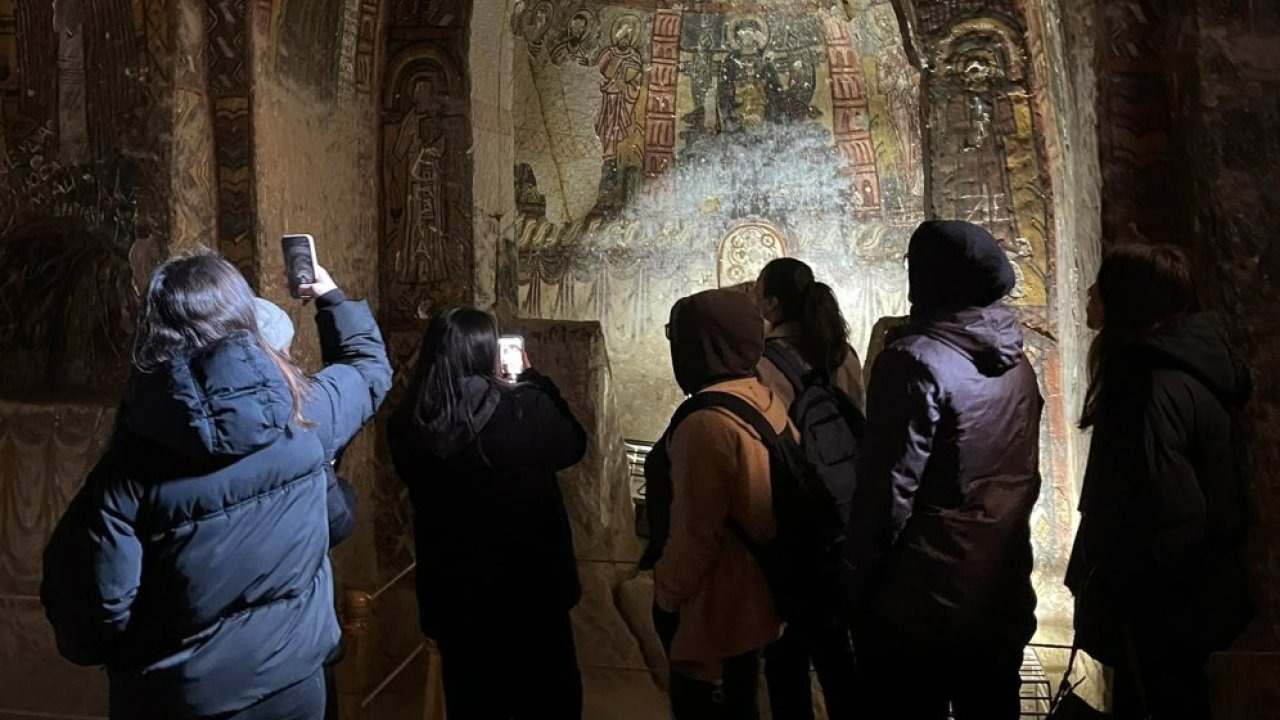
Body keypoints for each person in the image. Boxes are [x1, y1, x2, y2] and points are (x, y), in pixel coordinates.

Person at [41, 252, 392, 719]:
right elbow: (368, 368)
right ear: (244, 316)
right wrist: (329, 296)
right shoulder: (306, 414)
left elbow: (89, 618)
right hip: (294, 687)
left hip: (181, 700)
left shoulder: (126, 475)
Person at [845, 220, 1043, 720]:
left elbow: (887, 495)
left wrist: (859, 582)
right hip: (998, 588)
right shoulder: (1017, 363)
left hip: (921, 601)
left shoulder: (913, 363)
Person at [1066, 244, 1253, 719]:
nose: (1090, 294)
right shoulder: (1182, 372)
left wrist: (1127, 594)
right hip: (1189, 604)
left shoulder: (1149, 386)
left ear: (1127, 300)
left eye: (1102, 287)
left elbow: (1170, 514)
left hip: (1160, 615)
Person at [387, 308, 587, 720]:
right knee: (549, 702)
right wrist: (534, 380)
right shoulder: (523, 409)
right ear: (487, 351)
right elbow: (573, 446)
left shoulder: (408, 424)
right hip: (531, 594)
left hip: (457, 599)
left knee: (473, 703)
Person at [653, 289, 786, 720]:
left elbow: (696, 535)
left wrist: (665, 597)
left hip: (714, 612)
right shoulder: (762, 399)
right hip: (756, 601)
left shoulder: (706, 423)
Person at [753, 257, 862, 720]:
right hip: (842, 520)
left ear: (773, 304)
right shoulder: (842, 354)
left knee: (787, 657)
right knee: (839, 655)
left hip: (793, 524)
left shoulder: (762, 364)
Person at [252, 297, 361, 720]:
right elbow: (337, 518)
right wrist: (332, 300)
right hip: (295, 653)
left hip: (198, 678)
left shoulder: (151, 441)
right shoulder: (299, 432)